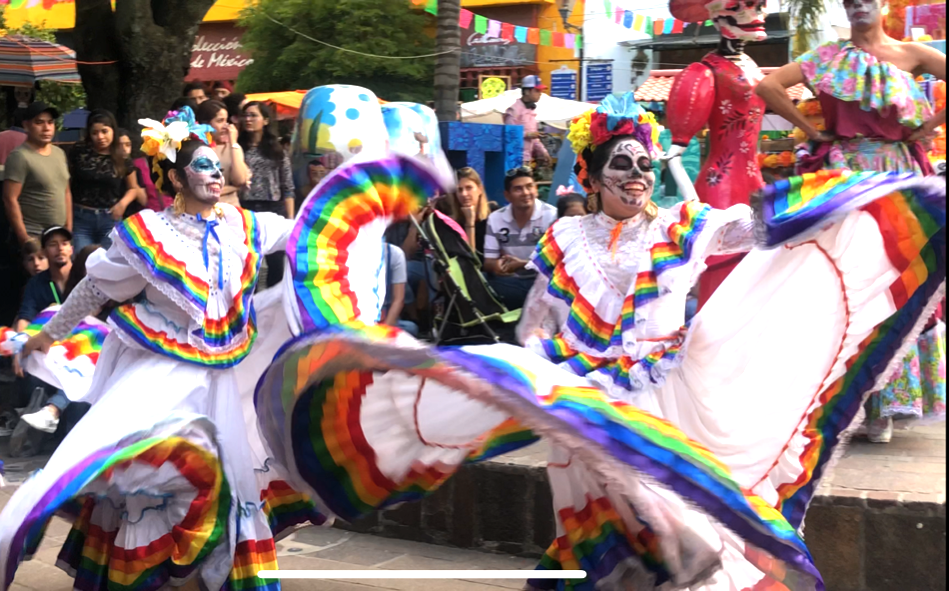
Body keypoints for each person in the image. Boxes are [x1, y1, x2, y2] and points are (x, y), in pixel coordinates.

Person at [246, 111, 945, 590]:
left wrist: (848, 196)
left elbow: (756, 229)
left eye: (643, 165)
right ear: (589, 174)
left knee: (672, 515)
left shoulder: (683, 223)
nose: (637, 175)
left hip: (663, 394)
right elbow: (537, 323)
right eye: (621, 165)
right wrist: (529, 378)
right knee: (588, 512)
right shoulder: (561, 241)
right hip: (578, 404)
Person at [0, 110, 324, 591]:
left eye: (217, 167)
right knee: (146, 477)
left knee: (225, 482)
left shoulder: (241, 224)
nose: (215, 176)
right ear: (175, 176)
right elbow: (94, 289)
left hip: (221, 381)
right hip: (162, 377)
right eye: (204, 167)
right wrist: (51, 334)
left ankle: (200, 576)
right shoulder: (152, 234)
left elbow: (304, 231)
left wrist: (352, 204)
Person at [756, 0, 946, 443]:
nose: (857, 5)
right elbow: (768, 86)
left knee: (901, 282)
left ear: (881, 5)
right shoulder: (828, 56)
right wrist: (812, 130)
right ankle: (848, 403)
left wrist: (929, 126)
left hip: (900, 175)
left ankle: (888, 403)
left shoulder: (910, 54)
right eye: (849, 0)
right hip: (847, 177)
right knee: (847, 283)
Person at [665, 0, 770, 312]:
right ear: (718, 15)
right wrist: (692, 205)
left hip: (754, 186)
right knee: (721, 277)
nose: (758, 15)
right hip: (719, 190)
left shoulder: (750, 66)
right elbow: (674, 154)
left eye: (761, 6)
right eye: (745, 6)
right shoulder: (703, 72)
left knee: (757, 274)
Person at [11, 226, 73, 432]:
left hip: (83, 347)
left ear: (71, 249)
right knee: (27, 364)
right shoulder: (36, 283)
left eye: (64, 244)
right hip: (51, 348)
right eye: (53, 245)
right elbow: (25, 317)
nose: (60, 249)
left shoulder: (84, 276)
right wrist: (18, 348)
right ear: (45, 252)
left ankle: (53, 409)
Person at [68, 110, 145, 252]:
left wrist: (122, 204)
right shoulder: (79, 152)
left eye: (104, 131)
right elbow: (67, 181)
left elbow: (133, 188)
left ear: (113, 131)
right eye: (95, 133)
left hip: (109, 218)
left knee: (108, 265)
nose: (100, 137)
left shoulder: (121, 156)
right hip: (81, 218)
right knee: (83, 263)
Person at [483, 167, 556, 311]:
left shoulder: (552, 216)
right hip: (510, 282)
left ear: (536, 189)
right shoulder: (495, 219)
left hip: (543, 283)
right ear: (507, 196)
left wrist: (522, 264)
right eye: (518, 189)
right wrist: (497, 265)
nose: (526, 193)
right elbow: (488, 262)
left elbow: (556, 263)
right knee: (479, 280)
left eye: (529, 187)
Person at [239, 101, 295, 287]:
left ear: (265, 120)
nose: (248, 119)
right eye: (246, 115)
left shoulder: (277, 150)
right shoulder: (238, 149)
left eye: (253, 115)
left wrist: (290, 218)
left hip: (274, 208)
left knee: (277, 264)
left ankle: (272, 306)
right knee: (248, 264)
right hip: (247, 209)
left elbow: (287, 186)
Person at [3, 102, 71, 246]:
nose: (46, 128)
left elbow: (66, 191)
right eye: (39, 122)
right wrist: (24, 239)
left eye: (50, 122)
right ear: (26, 125)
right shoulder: (20, 156)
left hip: (59, 234)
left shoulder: (59, 153)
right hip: (34, 234)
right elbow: (10, 199)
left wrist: (68, 228)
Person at [196, 99, 250, 208]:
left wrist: (233, 143)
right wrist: (233, 188)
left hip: (232, 209)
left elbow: (239, 180)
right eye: (220, 121)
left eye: (226, 121)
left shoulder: (233, 148)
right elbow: (203, 190)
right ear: (205, 123)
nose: (225, 126)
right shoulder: (196, 150)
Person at [436, 166, 490, 254]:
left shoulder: (493, 218)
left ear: (480, 189)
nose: (464, 194)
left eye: (469, 188)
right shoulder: (451, 224)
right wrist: (469, 223)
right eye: (459, 190)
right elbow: (468, 261)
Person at [504, 75, 550, 167]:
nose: (540, 93)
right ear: (527, 91)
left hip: (527, 159)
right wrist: (528, 135)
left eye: (540, 91)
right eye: (537, 90)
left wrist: (544, 153)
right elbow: (508, 133)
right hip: (513, 158)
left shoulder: (532, 110)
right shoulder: (514, 110)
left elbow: (535, 137)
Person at [382, 243, 419, 336]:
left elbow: (398, 300)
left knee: (411, 328)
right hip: (356, 315)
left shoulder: (394, 253)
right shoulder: (348, 253)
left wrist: (383, 332)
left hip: (384, 316)